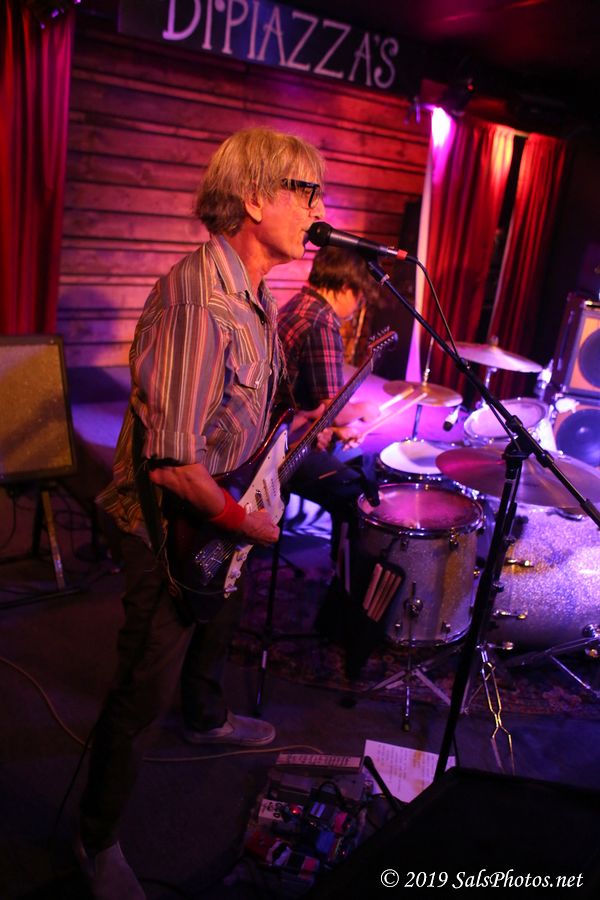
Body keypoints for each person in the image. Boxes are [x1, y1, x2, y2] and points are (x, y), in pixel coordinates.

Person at [75, 127, 326, 899]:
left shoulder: (257, 295)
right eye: (306, 192)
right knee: (140, 691)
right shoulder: (197, 300)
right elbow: (173, 464)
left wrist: (276, 452)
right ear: (253, 197)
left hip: (218, 513)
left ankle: (207, 718)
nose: (319, 211)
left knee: (217, 621)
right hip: (170, 530)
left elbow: (234, 416)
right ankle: (94, 839)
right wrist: (245, 522)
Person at [277, 246, 381, 561]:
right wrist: (364, 410)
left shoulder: (297, 304)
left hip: (282, 430)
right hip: (283, 452)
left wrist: (334, 430)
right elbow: (334, 408)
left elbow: (307, 401)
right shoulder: (322, 321)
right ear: (347, 287)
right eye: (359, 296)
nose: (358, 305)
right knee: (359, 498)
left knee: (354, 457)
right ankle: (345, 580)